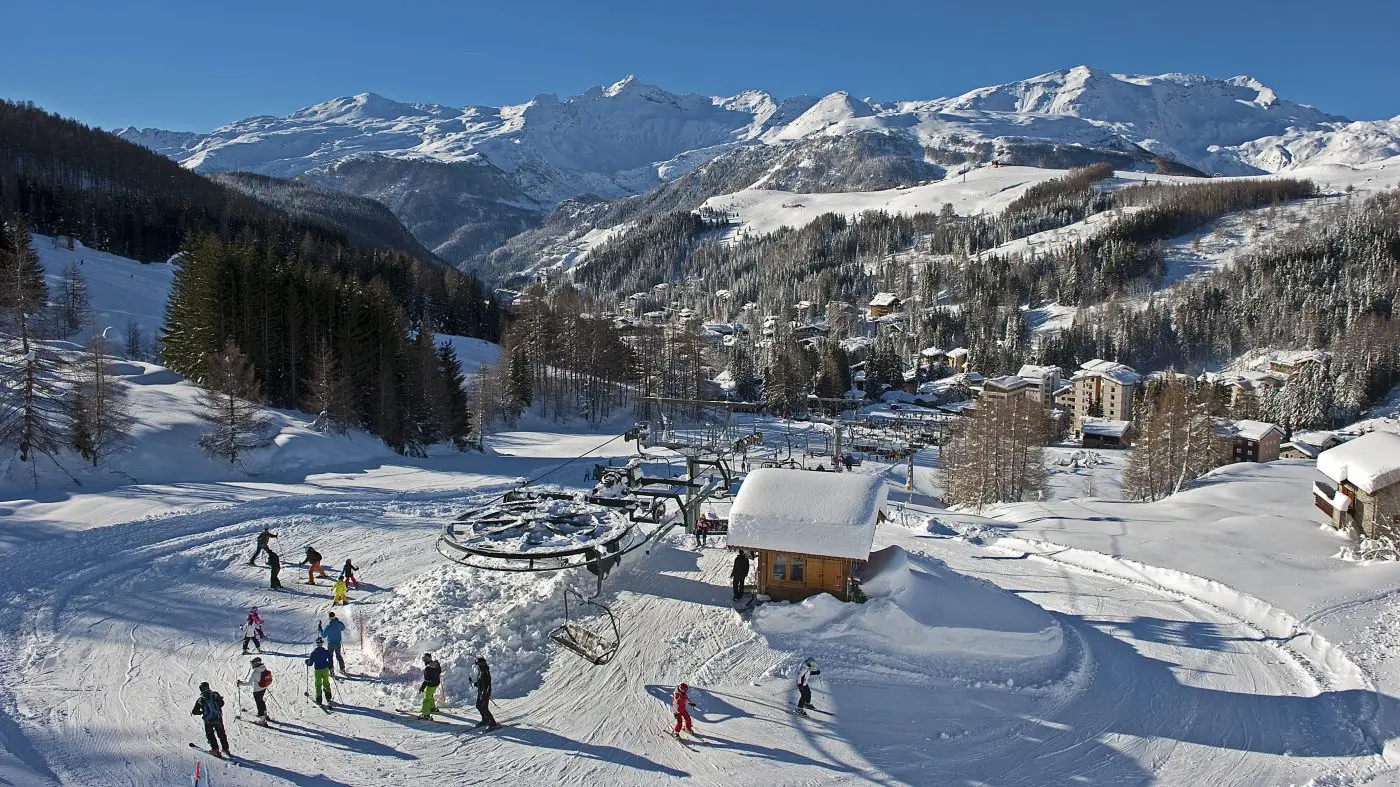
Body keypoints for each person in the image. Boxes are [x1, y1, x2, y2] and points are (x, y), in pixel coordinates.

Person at [191, 682, 230, 756]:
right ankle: (225, 749)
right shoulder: (215, 694)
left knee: (210, 734)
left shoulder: (200, 699)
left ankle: (215, 750)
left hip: (208, 720)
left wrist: (201, 712)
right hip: (218, 718)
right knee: (221, 733)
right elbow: (221, 703)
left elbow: (194, 711)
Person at [237, 657, 273, 724]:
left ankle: (262, 720)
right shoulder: (263, 668)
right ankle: (265, 714)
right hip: (263, 688)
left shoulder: (256, 672)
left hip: (257, 691)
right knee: (261, 701)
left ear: (256, 664)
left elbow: (249, 683)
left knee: (259, 703)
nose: (252, 665)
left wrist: (240, 683)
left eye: (253, 663)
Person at [470, 656, 499, 729]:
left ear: (482, 664)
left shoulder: (485, 671)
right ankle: (485, 720)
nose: (478, 666)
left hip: (485, 692)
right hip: (481, 692)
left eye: (478, 664)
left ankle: (493, 723)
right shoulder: (481, 671)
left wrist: (484, 693)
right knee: (478, 705)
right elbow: (481, 681)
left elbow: (487, 683)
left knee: (484, 708)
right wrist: (476, 683)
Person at [305, 638, 334, 707]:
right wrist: (330, 666)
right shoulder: (326, 651)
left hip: (318, 670)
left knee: (318, 684)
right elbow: (330, 659)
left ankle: (319, 700)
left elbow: (310, 663)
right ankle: (328, 697)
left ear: (317, 643)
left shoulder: (314, 653)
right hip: (325, 669)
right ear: (322, 643)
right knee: (326, 682)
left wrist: (307, 662)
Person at [418, 653, 442, 720]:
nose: (423, 660)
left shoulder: (428, 669)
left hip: (431, 684)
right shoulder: (435, 664)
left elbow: (427, 680)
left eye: (424, 658)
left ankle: (425, 714)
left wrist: (422, 688)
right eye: (423, 658)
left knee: (426, 699)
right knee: (430, 695)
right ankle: (432, 708)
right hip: (436, 683)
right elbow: (440, 671)